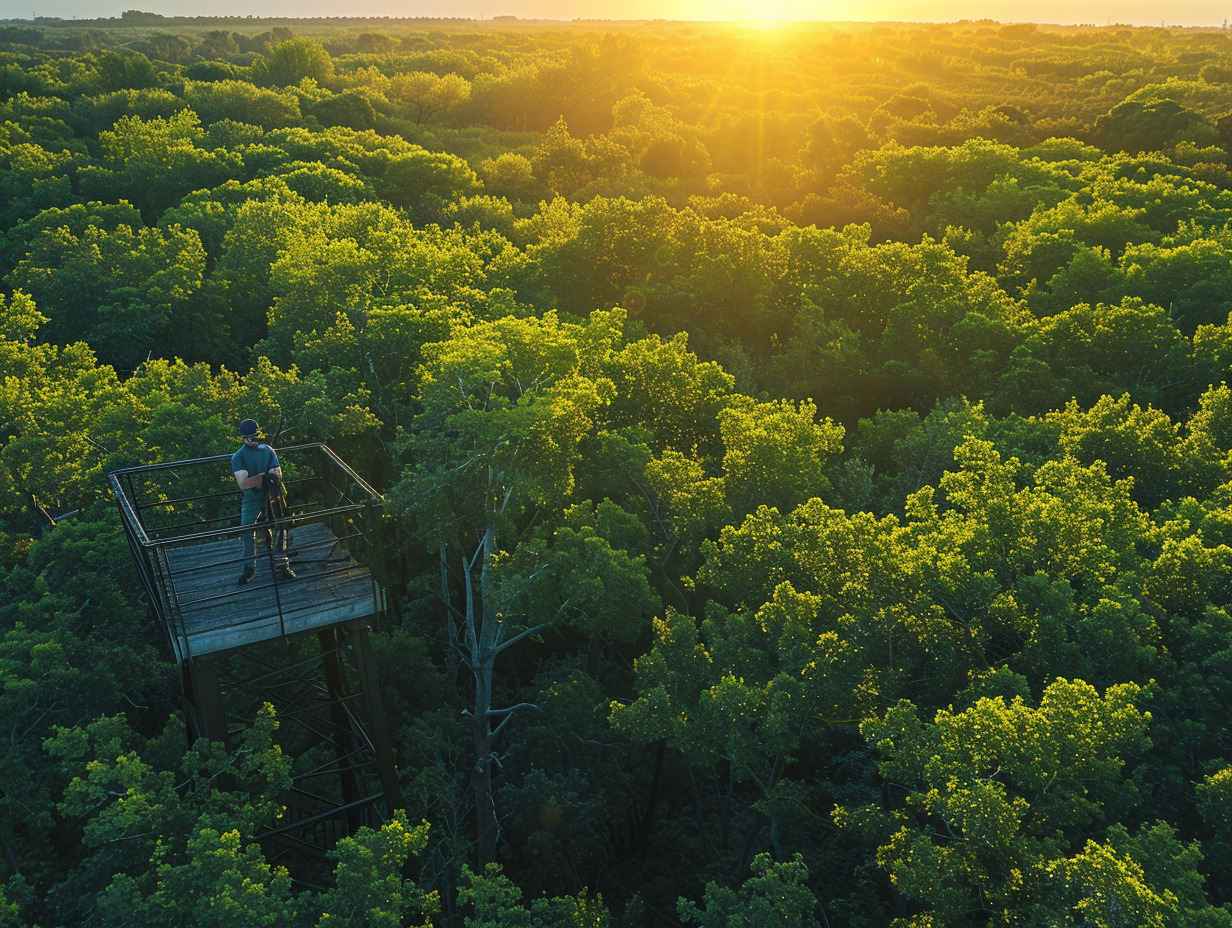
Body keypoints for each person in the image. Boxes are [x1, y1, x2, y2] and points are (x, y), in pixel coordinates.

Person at [232, 418, 295, 584]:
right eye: (251, 437)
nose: (254, 439)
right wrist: (264, 477)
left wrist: (259, 479)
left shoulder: (268, 450)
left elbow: (278, 474)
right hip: (252, 498)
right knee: (246, 529)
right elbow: (243, 484)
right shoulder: (238, 457)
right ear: (244, 438)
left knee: (280, 525)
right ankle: (249, 568)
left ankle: (282, 564)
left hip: (273, 495)